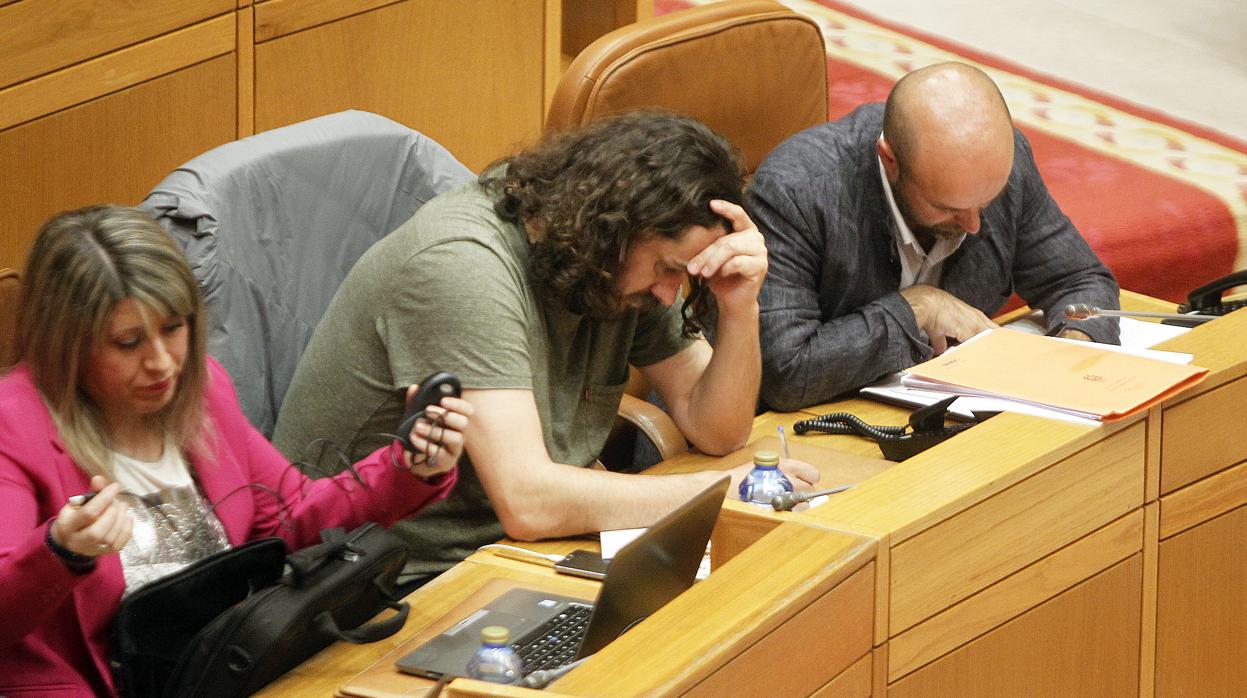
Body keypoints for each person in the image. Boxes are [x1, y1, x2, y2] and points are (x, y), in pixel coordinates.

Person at [274, 111, 820, 581]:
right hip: (389, 577)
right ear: (615, 226)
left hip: (515, 550)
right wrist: (718, 490)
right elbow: (528, 502)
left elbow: (718, 430)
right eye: (666, 270)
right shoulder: (462, 267)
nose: (668, 293)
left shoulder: (619, 269)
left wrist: (739, 305)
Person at [0, 205, 473, 696]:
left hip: (229, 671)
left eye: (173, 328)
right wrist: (59, 552)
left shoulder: (203, 390)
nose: (162, 362)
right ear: (66, 344)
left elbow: (290, 521)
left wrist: (408, 465)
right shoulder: (12, 427)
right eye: (128, 342)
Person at [748, 62, 1121, 411]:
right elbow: (784, 371)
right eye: (948, 208)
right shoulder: (798, 191)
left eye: (986, 201)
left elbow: (1078, 279)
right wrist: (917, 309)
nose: (973, 223)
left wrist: (1076, 347)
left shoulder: (1001, 163)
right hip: (830, 426)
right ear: (890, 162)